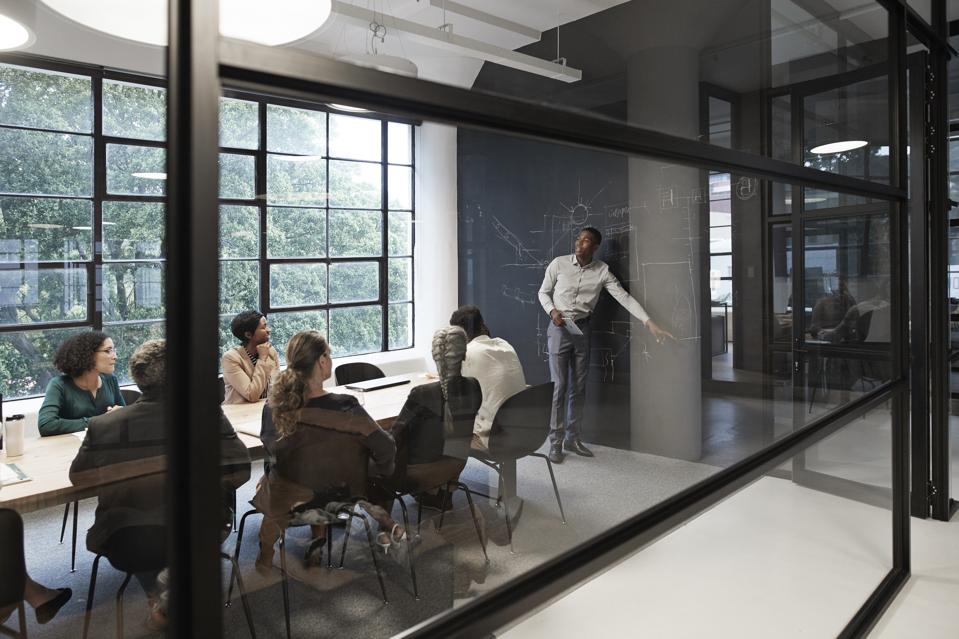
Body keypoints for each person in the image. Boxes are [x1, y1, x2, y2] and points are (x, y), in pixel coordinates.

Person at [69, 339, 251, 629]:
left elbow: (80, 480)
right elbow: (240, 468)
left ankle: (162, 596)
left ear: (139, 378)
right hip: (199, 532)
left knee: (153, 534)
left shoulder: (105, 426)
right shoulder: (205, 416)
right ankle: (170, 595)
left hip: (127, 539)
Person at [254, 331, 402, 572]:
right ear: (322, 361)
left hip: (289, 499)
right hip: (339, 497)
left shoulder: (274, 407)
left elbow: (272, 452)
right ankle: (318, 545)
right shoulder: (345, 406)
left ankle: (267, 553)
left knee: (284, 475)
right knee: (327, 470)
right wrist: (382, 473)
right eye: (329, 355)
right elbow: (385, 446)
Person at [538, 227, 675, 464]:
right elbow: (543, 292)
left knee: (579, 388)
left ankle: (573, 438)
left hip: (583, 330)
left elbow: (624, 297)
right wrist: (552, 311)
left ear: (595, 246)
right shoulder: (558, 264)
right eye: (578, 239)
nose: (580, 244)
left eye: (586, 241)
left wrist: (650, 323)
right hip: (559, 329)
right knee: (560, 386)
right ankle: (556, 442)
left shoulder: (602, 271)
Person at [379, 326, 482, 509]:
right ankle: (441, 492)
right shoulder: (473, 387)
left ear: (435, 357)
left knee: (372, 457)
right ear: (464, 355)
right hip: (455, 464)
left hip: (417, 473)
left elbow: (393, 437)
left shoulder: (421, 394)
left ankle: (385, 527)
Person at [449, 305, 526, 448]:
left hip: (494, 437)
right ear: (482, 324)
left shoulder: (468, 353)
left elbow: (451, 391)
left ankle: (446, 469)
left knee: (436, 423)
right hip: (525, 429)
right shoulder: (505, 345)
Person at [38, 331, 125, 436]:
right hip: (68, 448)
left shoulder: (111, 379)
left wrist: (121, 413)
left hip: (106, 445)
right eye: (108, 351)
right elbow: (46, 425)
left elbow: (125, 416)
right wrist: (100, 421)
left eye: (114, 350)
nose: (114, 356)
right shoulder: (59, 385)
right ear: (88, 355)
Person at [221, 310, 279, 404]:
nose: (269, 330)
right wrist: (262, 359)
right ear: (248, 335)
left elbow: (277, 387)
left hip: (265, 411)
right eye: (264, 327)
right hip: (239, 415)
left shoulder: (271, 351)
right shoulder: (231, 358)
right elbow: (252, 395)